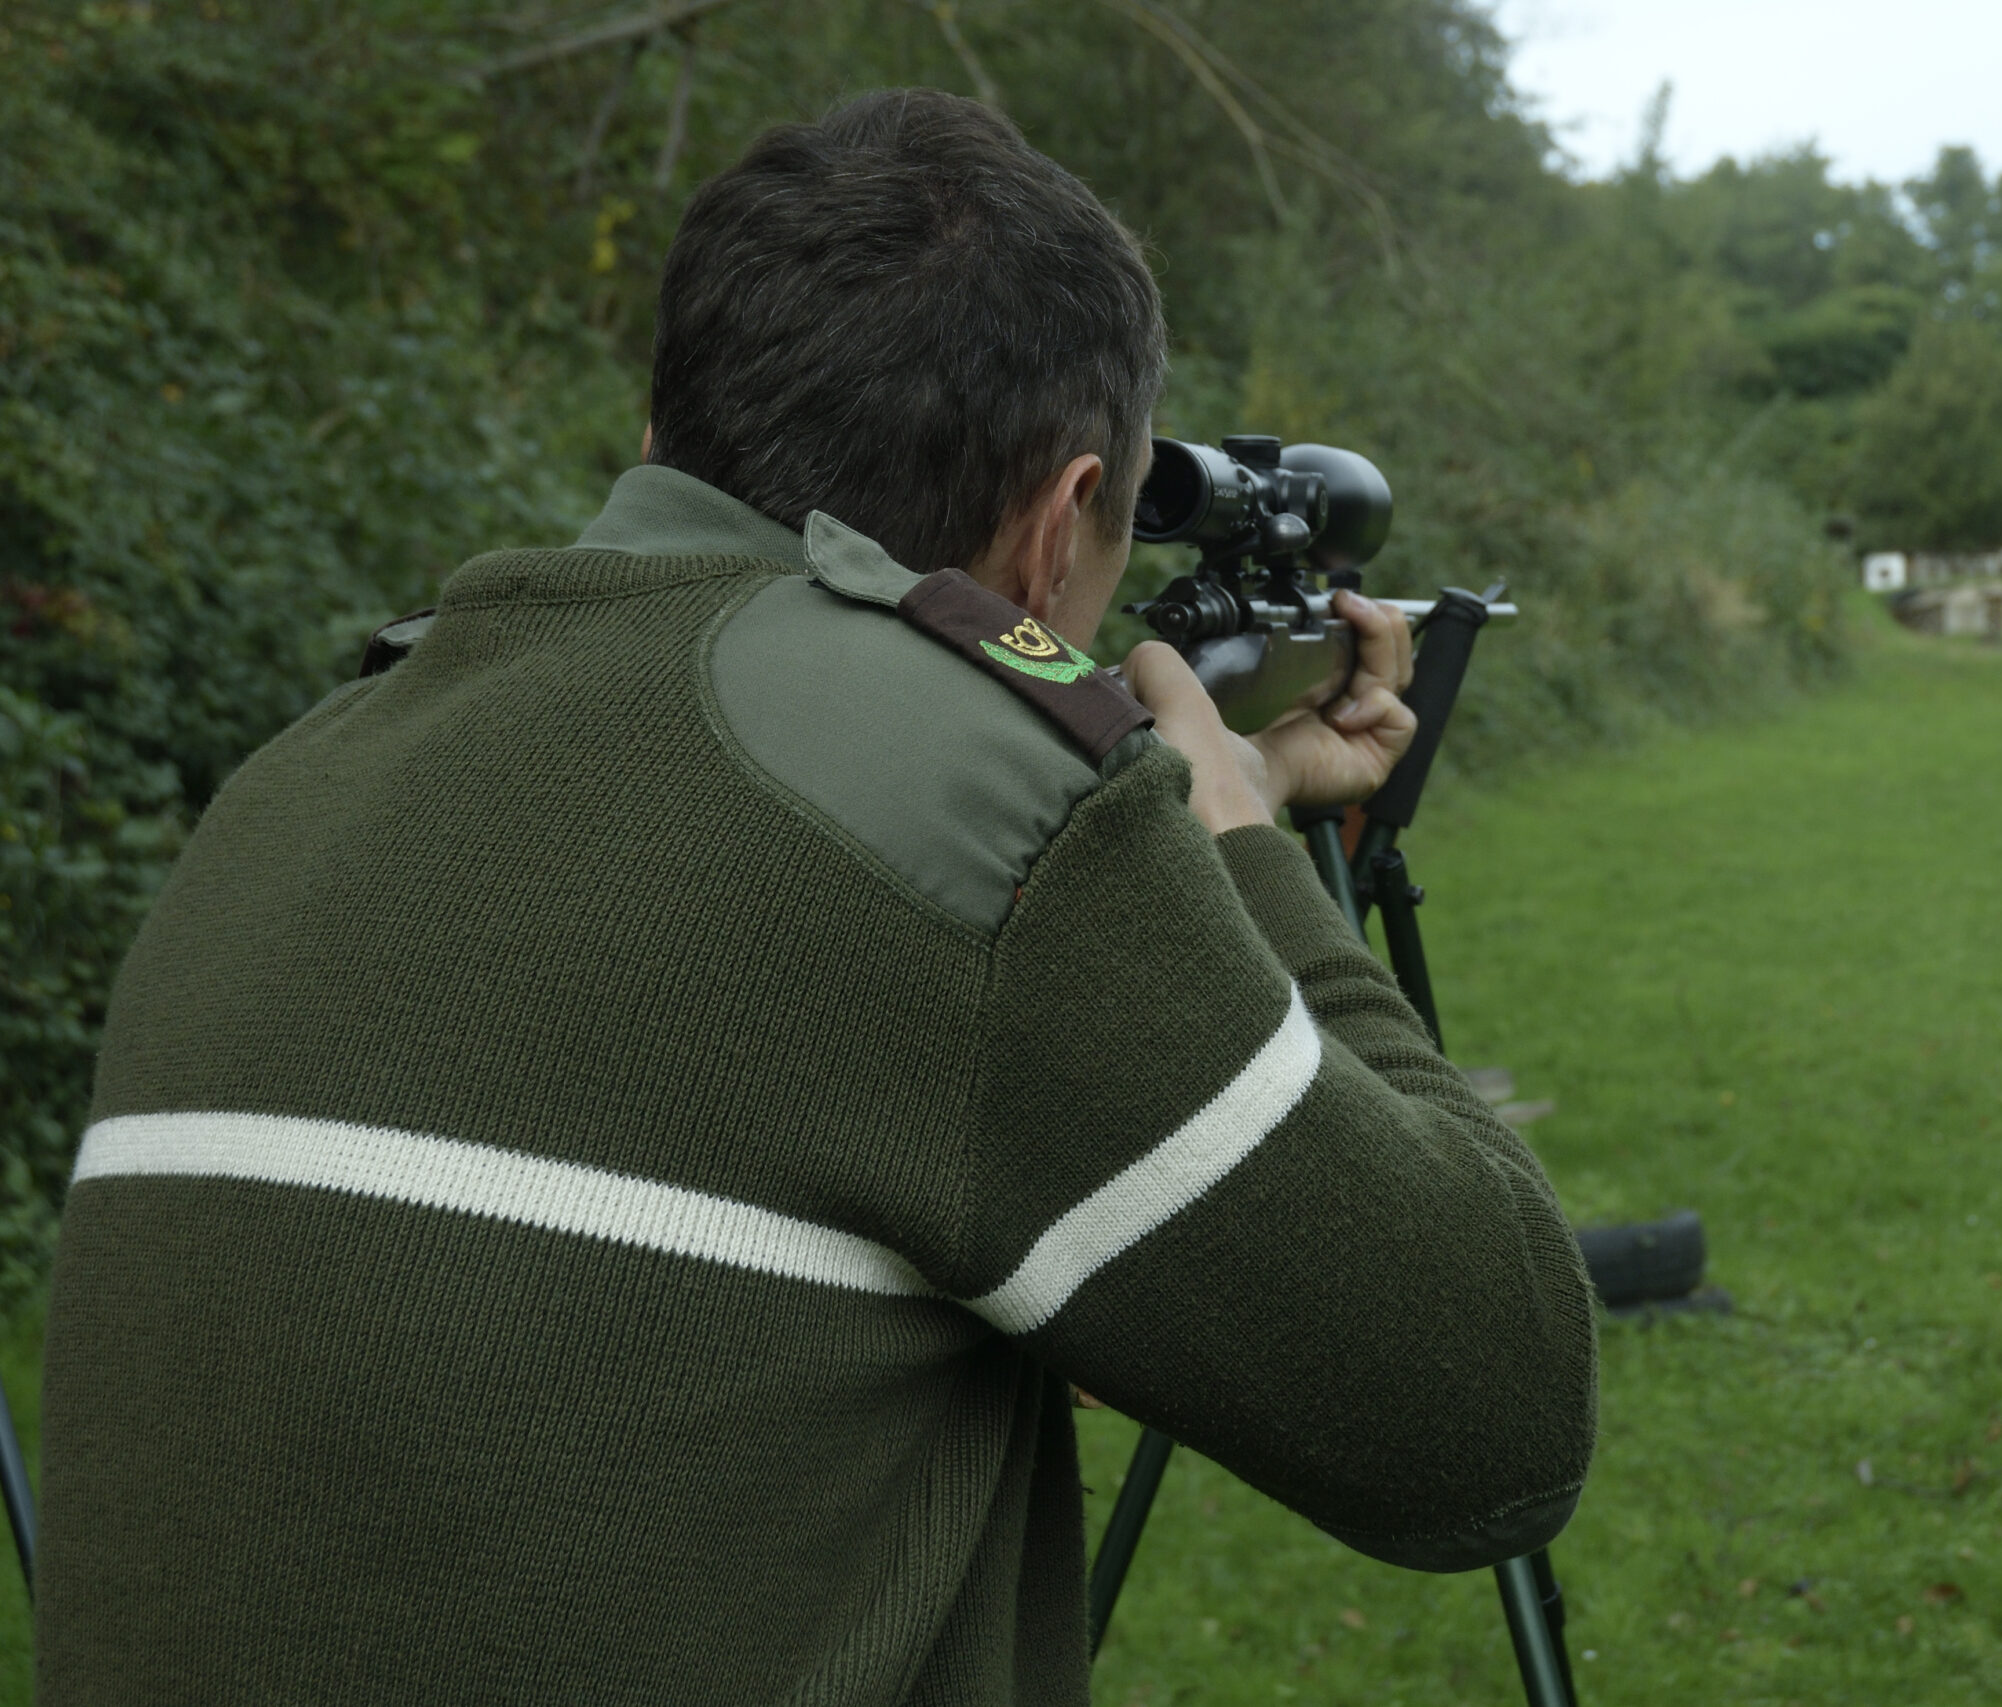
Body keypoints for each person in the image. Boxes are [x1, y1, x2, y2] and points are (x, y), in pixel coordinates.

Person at [36, 88, 1596, 1705]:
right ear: (1060, 521)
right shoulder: (982, 803)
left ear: (662, 433)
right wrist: (1237, 843)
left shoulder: (302, 770)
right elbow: (1489, 1419)